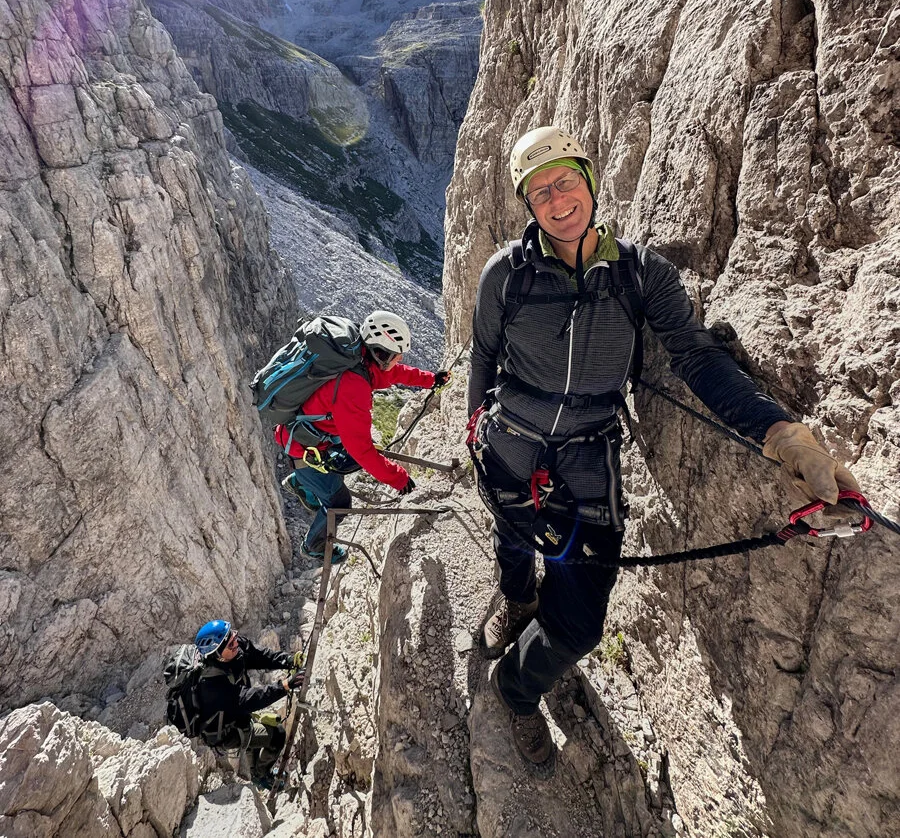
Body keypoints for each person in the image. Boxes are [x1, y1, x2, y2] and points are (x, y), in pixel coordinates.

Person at [468, 125, 861, 773]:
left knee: (582, 625)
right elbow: (484, 353)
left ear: (590, 180)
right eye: (539, 192)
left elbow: (697, 360)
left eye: (566, 179)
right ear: (527, 206)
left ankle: (514, 686)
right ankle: (517, 598)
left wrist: (779, 433)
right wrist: (476, 426)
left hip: (588, 459)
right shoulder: (503, 278)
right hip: (508, 438)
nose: (557, 198)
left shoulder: (641, 274)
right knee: (512, 535)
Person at [277, 310, 450, 563]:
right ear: (380, 353)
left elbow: (395, 373)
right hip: (303, 448)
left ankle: (301, 483)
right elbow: (362, 451)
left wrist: (430, 379)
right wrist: (398, 478)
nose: (398, 359)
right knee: (340, 502)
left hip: (312, 434)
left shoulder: (358, 358)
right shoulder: (353, 386)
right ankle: (313, 545)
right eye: (395, 355)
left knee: (342, 461)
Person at [193, 620, 304, 785]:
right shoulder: (211, 686)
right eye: (231, 644)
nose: (236, 642)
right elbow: (248, 699)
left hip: (236, 712)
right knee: (277, 735)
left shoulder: (234, 646)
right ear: (217, 655)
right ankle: (262, 776)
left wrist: (288, 660)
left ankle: (253, 769)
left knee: (255, 736)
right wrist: (285, 685)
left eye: (234, 636)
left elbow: (259, 656)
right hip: (225, 730)